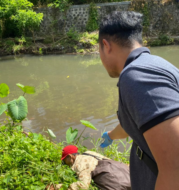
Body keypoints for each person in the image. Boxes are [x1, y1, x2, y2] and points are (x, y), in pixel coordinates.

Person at [98, 11, 179, 190]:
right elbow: (141, 122)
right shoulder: (156, 64)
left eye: (99, 52)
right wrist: (111, 135)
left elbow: (175, 167)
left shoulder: (138, 76)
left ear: (106, 46)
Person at [46, 145, 131, 190]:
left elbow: (83, 186)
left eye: (64, 159)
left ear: (70, 157)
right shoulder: (88, 152)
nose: (64, 162)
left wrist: (57, 187)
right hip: (122, 168)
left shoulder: (79, 164)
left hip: (114, 178)